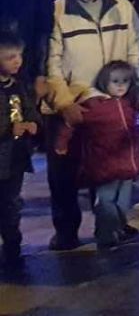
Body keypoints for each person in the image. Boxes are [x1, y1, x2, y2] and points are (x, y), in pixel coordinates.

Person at [44, 0, 139, 251]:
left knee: (111, 169)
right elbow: (52, 61)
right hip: (76, 102)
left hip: (112, 103)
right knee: (63, 172)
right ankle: (66, 231)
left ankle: (112, 225)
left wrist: (138, 89)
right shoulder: (57, 11)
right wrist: (64, 102)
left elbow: (136, 48)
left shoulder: (121, 5)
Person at [75, 60, 139, 250]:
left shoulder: (129, 102)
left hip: (127, 162)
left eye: (125, 81)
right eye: (115, 81)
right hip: (105, 163)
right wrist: (61, 142)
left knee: (123, 202)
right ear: (104, 82)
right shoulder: (95, 106)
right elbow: (73, 122)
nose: (121, 86)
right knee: (106, 201)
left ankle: (118, 228)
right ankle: (105, 235)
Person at [0, 31, 40, 272]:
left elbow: (28, 108)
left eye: (19, 56)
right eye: (10, 58)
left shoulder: (19, 85)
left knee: (12, 204)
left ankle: (13, 249)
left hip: (15, 157)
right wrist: (8, 128)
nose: (17, 61)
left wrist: (33, 122)